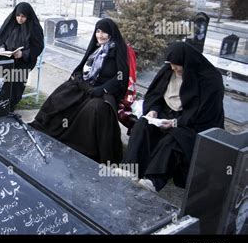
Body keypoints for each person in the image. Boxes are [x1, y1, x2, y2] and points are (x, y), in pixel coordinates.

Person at [123, 42, 225, 192]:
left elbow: (205, 115)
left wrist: (175, 122)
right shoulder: (169, 70)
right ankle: (129, 169)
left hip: (193, 124)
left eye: (176, 65)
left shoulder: (210, 80)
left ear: (187, 62)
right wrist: (154, 110)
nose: (172, 68)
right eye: (170, 64)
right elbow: (155, 95)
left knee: (173, 139)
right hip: (166, 114)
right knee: (143, 125)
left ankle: (153, 180)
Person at [30, 18, 129, 164]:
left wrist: (101, 89)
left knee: (94, 109)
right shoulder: (95, 48)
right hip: (86, 86)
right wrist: (80, 81)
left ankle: (82, 146)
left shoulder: (118, 50)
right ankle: (49, 126)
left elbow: (120, 78)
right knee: (61, 96)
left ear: (111, 34)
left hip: (104, 92)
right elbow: (80, 69)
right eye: (98, 31)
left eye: (104, 33)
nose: (100, 35)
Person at [0, 2, 44, 110]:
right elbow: (0, 39)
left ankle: (10, 105)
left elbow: (38, 47)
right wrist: (1, 48)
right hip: (6, 56)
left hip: (24, 61)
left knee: (16, 78)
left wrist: (23, 54)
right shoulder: (10, 23)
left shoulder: (34, 28)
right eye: (18, 15)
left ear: (28, 16)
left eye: (23, 16)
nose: (20, 19)